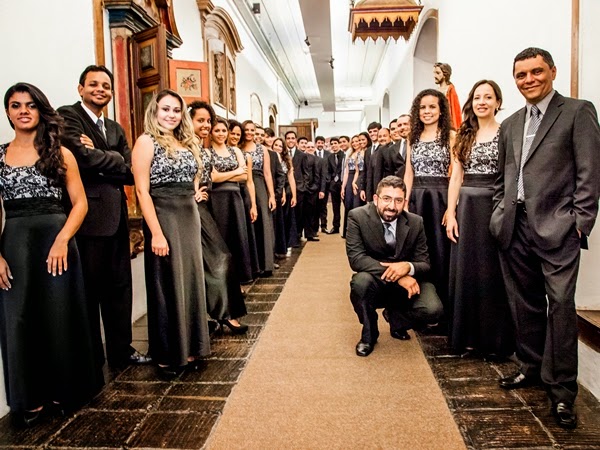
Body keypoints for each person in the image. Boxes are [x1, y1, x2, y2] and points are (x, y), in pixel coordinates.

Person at [490, 47, 600, 429]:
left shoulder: (577, 111)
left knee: (562, 307)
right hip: (514, 226)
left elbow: (590, 172)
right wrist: (498, 212)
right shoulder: (511, 123)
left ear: (552, 72)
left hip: (559, 226)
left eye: (536, 72)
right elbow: (504, 177)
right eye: (521, 74)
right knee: (525, 305)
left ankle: (563, 390)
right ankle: (531, 367)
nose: (529, 79)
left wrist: (580, 221)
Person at [0, 83, 103, 425]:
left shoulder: (59, 153)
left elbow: (81, 204)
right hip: (14, 242)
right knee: (19, 319)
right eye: (16, 106)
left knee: (59, 314)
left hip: (57, 240)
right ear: (8, 112)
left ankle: (65, 390)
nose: (23, 110)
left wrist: (62, 240)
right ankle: (28, 399)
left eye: (30, 105)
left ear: (40, 110)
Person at [58, 65, 149, 370]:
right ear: (80, 88)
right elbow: (81, 158)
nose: (101, 89)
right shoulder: (68, 115)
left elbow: (129, 171)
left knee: (120, 289)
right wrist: (114, 158)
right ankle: (91, 357)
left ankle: (122, 352)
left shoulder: (116, 128)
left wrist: (104, 156)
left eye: (106, 86)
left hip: (118, 218)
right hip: (88, 219)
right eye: (93, 84)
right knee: (89, 291)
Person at [132, 89, 210, 378]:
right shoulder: (146, 141)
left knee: (189, 281)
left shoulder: (187, 142)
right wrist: (156, 233)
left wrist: (194, 196)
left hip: (188, 216)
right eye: (165, 109)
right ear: (154, 111)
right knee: (167, 285)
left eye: (176, 110)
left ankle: (190, 346)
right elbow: (142, 190)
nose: (171, 115)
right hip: (162, 216)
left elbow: (193, 181)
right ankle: (167, 355)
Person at [445, 80, 514, 360]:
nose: (482, 102)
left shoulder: (507, 132)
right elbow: (456, 177)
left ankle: (495, 341)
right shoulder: (464, 134)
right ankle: (468, 337)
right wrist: (451, 212)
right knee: (468, 272)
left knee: (493, 273)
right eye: (477, 97)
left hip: (496, 205)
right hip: (467, 209)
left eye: (488, 97)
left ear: (498, 101)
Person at [346, 176, 443, 357]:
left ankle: (397, 319)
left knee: (433, 309)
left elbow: (425, 264)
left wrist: (407, 266)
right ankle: (369, 333)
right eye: (386, 199)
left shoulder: (415, 222)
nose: (392, 206)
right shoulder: (357, 217)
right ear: (376, 199)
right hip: (376, 281)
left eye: (398, 200)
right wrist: (399, 275)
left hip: (405, 290)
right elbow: (357, 259)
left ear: (404, 202)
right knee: (360, 283)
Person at [189, 102, 248, 334]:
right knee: (215, 258)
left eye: (208, 121)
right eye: (200, 120)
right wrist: (193, 191)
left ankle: (225, 313)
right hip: (194, 207)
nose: (205, 125)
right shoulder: (189, 144)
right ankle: (221, 314)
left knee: (219, 257)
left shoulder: (201, 147)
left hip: (204, 205)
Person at [404, 89, 455, 320]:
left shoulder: (451, 136)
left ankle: (445, 305)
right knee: (419, 250)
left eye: (432, 107)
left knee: (441, 250)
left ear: (441, 109)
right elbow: (408, 173)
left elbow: (456, 174)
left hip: (441, 197)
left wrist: (452, 208)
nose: (427, 111)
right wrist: (405, 201)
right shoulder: (412, 137)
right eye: (423, 107)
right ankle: (421, 304)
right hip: (417, 198)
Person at [210, 118, 257, 284]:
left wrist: (226, 175)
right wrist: (235, 171)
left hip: (235, 198)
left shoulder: (235, 151)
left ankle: (239, 280)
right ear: (211, 132)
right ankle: (223, 282)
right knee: (221, 239)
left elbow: (244, 176)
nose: (221, 134)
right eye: (217, 131)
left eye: (224, 131)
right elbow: (213, 177)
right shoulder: (208, 151)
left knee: (238, 238)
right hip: (217, 199)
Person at [241, 121, 276, 275]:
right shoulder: (236, 147)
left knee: (263, 223)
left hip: (260, 184)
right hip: (242, 185)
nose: (249, 133)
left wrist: (272, 195)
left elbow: (267, 173)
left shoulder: (262, 149)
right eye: (246, 130)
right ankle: (251, 265)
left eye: (252, 130)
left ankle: (265, 264)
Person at [272, 137, 298, 254]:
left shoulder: (287, 160)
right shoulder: (270, 157)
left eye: (280, 146)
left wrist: (294, 195)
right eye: (276, 145)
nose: (278, 147)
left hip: (286, 190)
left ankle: (285, 244)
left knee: (286, 219)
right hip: (276, 189)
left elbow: (291, 178)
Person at [325, 137, 344, 234]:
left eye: (335, 143)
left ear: (339, 144)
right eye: (331, 144)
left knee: (347, 206)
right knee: (335, 207)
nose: (333, 145)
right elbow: (328, 171)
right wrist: (330, 180)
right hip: (334, 185)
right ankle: (336, 227)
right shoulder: (330, 157)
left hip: (343, 183)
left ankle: (347, 228)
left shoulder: (344, 155)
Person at [434, 62, 462, 130]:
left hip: (447, 125)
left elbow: (455, 110)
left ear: (445, 74)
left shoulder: (450, 89)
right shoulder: (436, 91)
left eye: (437, 73)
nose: (434, 76)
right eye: (434, 73)